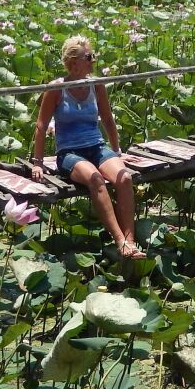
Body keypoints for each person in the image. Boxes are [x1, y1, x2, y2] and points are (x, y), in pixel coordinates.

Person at [30, 35, 146, 259]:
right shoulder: (56, 88)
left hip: (96, 146)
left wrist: (117, 152)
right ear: (74, 62)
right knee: (95, 179)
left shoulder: (96, 84)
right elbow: (41, 125)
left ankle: (131, 241)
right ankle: (119, 240)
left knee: (125, 178)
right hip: (70, 153)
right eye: (89, 57)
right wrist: (38, 163)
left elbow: (108, 120)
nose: (94, 61)